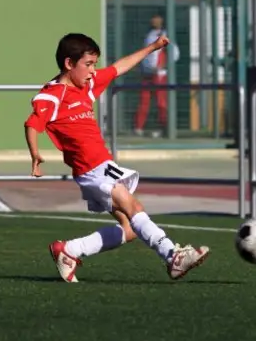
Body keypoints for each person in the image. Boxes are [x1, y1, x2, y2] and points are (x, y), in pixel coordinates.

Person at [25, 32, 209, 283]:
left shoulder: (86, 86)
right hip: (92, 170)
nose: (93, 71)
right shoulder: (51, 95)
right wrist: (35, 155)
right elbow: (33, 124)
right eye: (88, 64)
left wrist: (152, 48)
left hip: (102, 166)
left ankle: (69, 250)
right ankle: (172, 256)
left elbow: (117, 68)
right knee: (135, 208)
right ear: (69, 64)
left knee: (130, 228)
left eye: (94, 64)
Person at [132, 14, 179, 138]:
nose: (154, 20)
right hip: (147, 73)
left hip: (159, 75)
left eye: (157, 18)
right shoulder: (148, 34)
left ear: (162, 20)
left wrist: (163, 66)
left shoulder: (166, 33)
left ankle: (163, 129)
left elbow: (174, 53)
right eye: (153, 18)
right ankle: (138, 127)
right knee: (144, 100)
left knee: (161, 102)